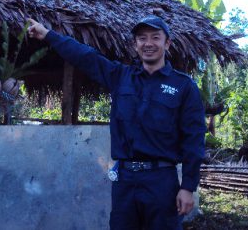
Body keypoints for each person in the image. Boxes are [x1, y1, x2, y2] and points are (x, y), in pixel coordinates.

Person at [27, 15, 206, 230]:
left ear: (167, 43)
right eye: (142, 38)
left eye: (155, 38)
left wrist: (188, 186)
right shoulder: (120, 77)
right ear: (135, 45)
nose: (148, 43)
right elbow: (85, 57)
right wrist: (48, 35)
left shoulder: (184, 86)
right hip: (125, 180)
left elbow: (194, 141)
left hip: (162, 181)